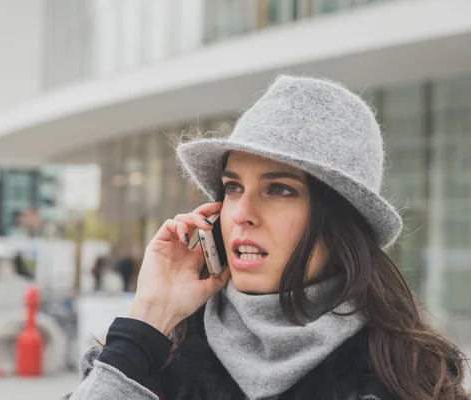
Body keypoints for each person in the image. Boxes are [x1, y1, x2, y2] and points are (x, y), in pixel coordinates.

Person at [65, 76, 470, 399]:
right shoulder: (155, 354)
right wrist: (151, 314)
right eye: (233, 188)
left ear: (340, 219)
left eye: (279, 189)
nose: (240, 213)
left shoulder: (410, 373)